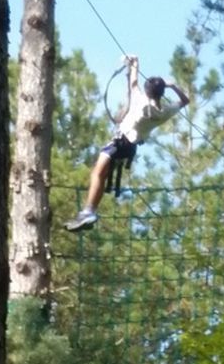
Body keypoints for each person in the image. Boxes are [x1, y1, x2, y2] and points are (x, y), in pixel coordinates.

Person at [64, 55, 190, 232]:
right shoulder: (164, 112)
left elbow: (133, 82)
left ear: (147, 91)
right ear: (161, 93)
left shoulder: (141, 101)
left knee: (97, 173)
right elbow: (185, 101)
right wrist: (172, 85)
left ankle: (89, 211)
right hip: (130, 148)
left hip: (120, 142)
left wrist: (135, 63)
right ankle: (89, 211)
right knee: (101, 173)